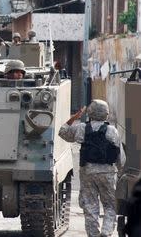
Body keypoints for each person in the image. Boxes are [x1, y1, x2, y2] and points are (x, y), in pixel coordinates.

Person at [58, 100, 126, 237]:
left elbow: (62, 132)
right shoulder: (112, 131)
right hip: (108, 173)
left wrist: (75, 117)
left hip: (87, 172)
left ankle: (93, 234)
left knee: (90, 207)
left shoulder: (82, 128)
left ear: (90, 113)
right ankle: (106, 232)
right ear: (106, 114)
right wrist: (120, 173)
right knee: (110, 206)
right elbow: (120, 158)